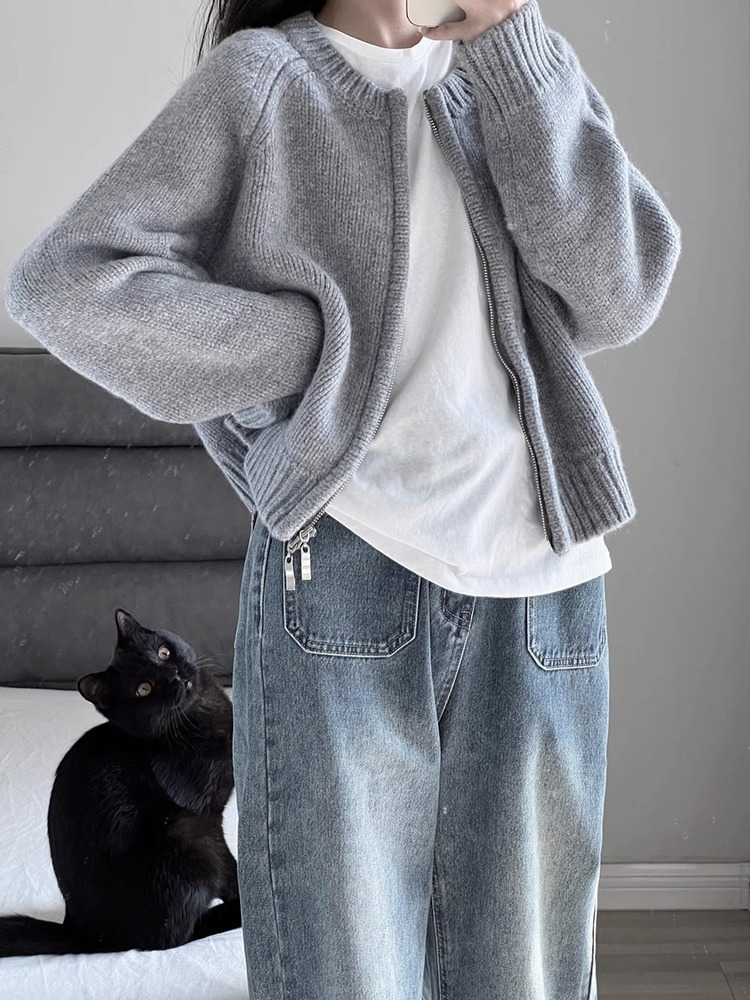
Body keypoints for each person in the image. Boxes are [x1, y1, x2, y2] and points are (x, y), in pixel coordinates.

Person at [4, 0, 682, 996]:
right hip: (344, 574)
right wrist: (309, 348)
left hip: (547, 585)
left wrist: (515, 52)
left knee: (524, 976)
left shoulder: (520, 73)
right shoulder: (264, 81)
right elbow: (66, 284)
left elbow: (619, 294)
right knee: (344, 974)